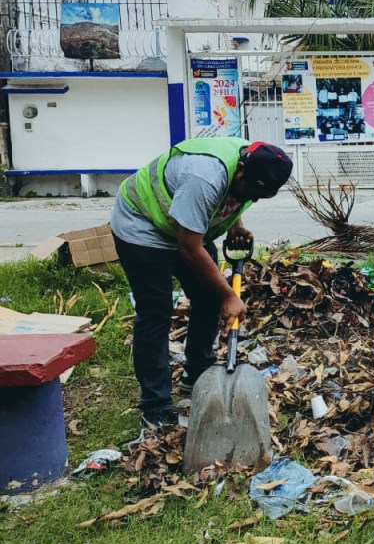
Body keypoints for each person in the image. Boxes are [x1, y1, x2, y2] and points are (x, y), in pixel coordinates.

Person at [110, 138, 294, 428]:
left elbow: (232, 194)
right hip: (142, 225)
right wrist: (228, 295)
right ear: (241, 169)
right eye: (250, 190)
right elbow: (189, 246)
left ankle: (196, 372)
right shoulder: (203, 177)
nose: (251, 198)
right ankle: (155, 405)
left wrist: (236, 225)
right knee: (155, 311)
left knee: (207, 296)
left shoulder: (257, 159)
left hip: (186, 227)